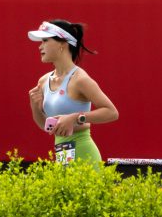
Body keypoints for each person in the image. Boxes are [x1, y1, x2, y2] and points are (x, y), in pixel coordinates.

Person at [27, 19, 118, 164]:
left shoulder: (80, 79)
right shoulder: (43, 81)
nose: (40, 46)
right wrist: (35, 106)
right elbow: (46, 126)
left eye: (45, 41)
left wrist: (75, 118)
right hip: (61, 155)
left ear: (62, 44)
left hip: (85, 154)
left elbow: (112, 112)